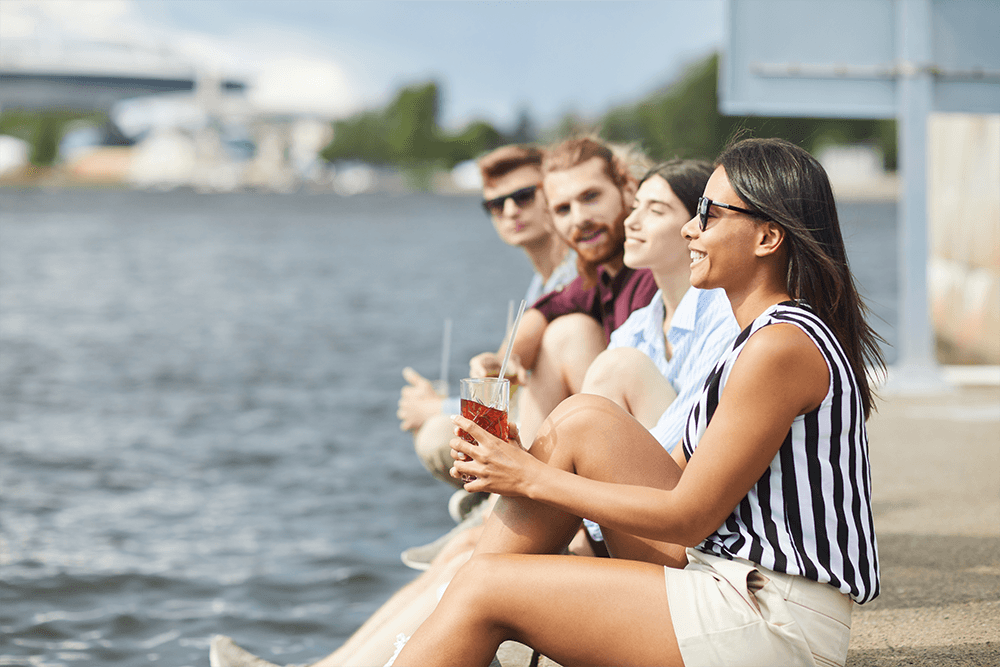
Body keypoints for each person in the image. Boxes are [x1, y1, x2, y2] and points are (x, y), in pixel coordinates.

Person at [391, 137, 885, 667]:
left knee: (486, 584)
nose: (690, 229)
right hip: (731, 576)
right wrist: (527, 455)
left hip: (775, 618)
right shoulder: (761, 338)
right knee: (585, 418)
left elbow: (688, 515)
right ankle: (449, 631)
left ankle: (441, 635)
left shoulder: (780, 347)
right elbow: (674, 476)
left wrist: (528, 478)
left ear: (768, 237)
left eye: (710, 215)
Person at [397, 144, 578, 494]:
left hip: (568, 433)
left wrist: (438, 406)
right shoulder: (542, 281)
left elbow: (517, 387)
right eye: (496, 204)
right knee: (442, 430)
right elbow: (505, 380)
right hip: (543, 421)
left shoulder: (575, 275)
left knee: (437, 433)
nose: (510, 211)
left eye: (524, 196)